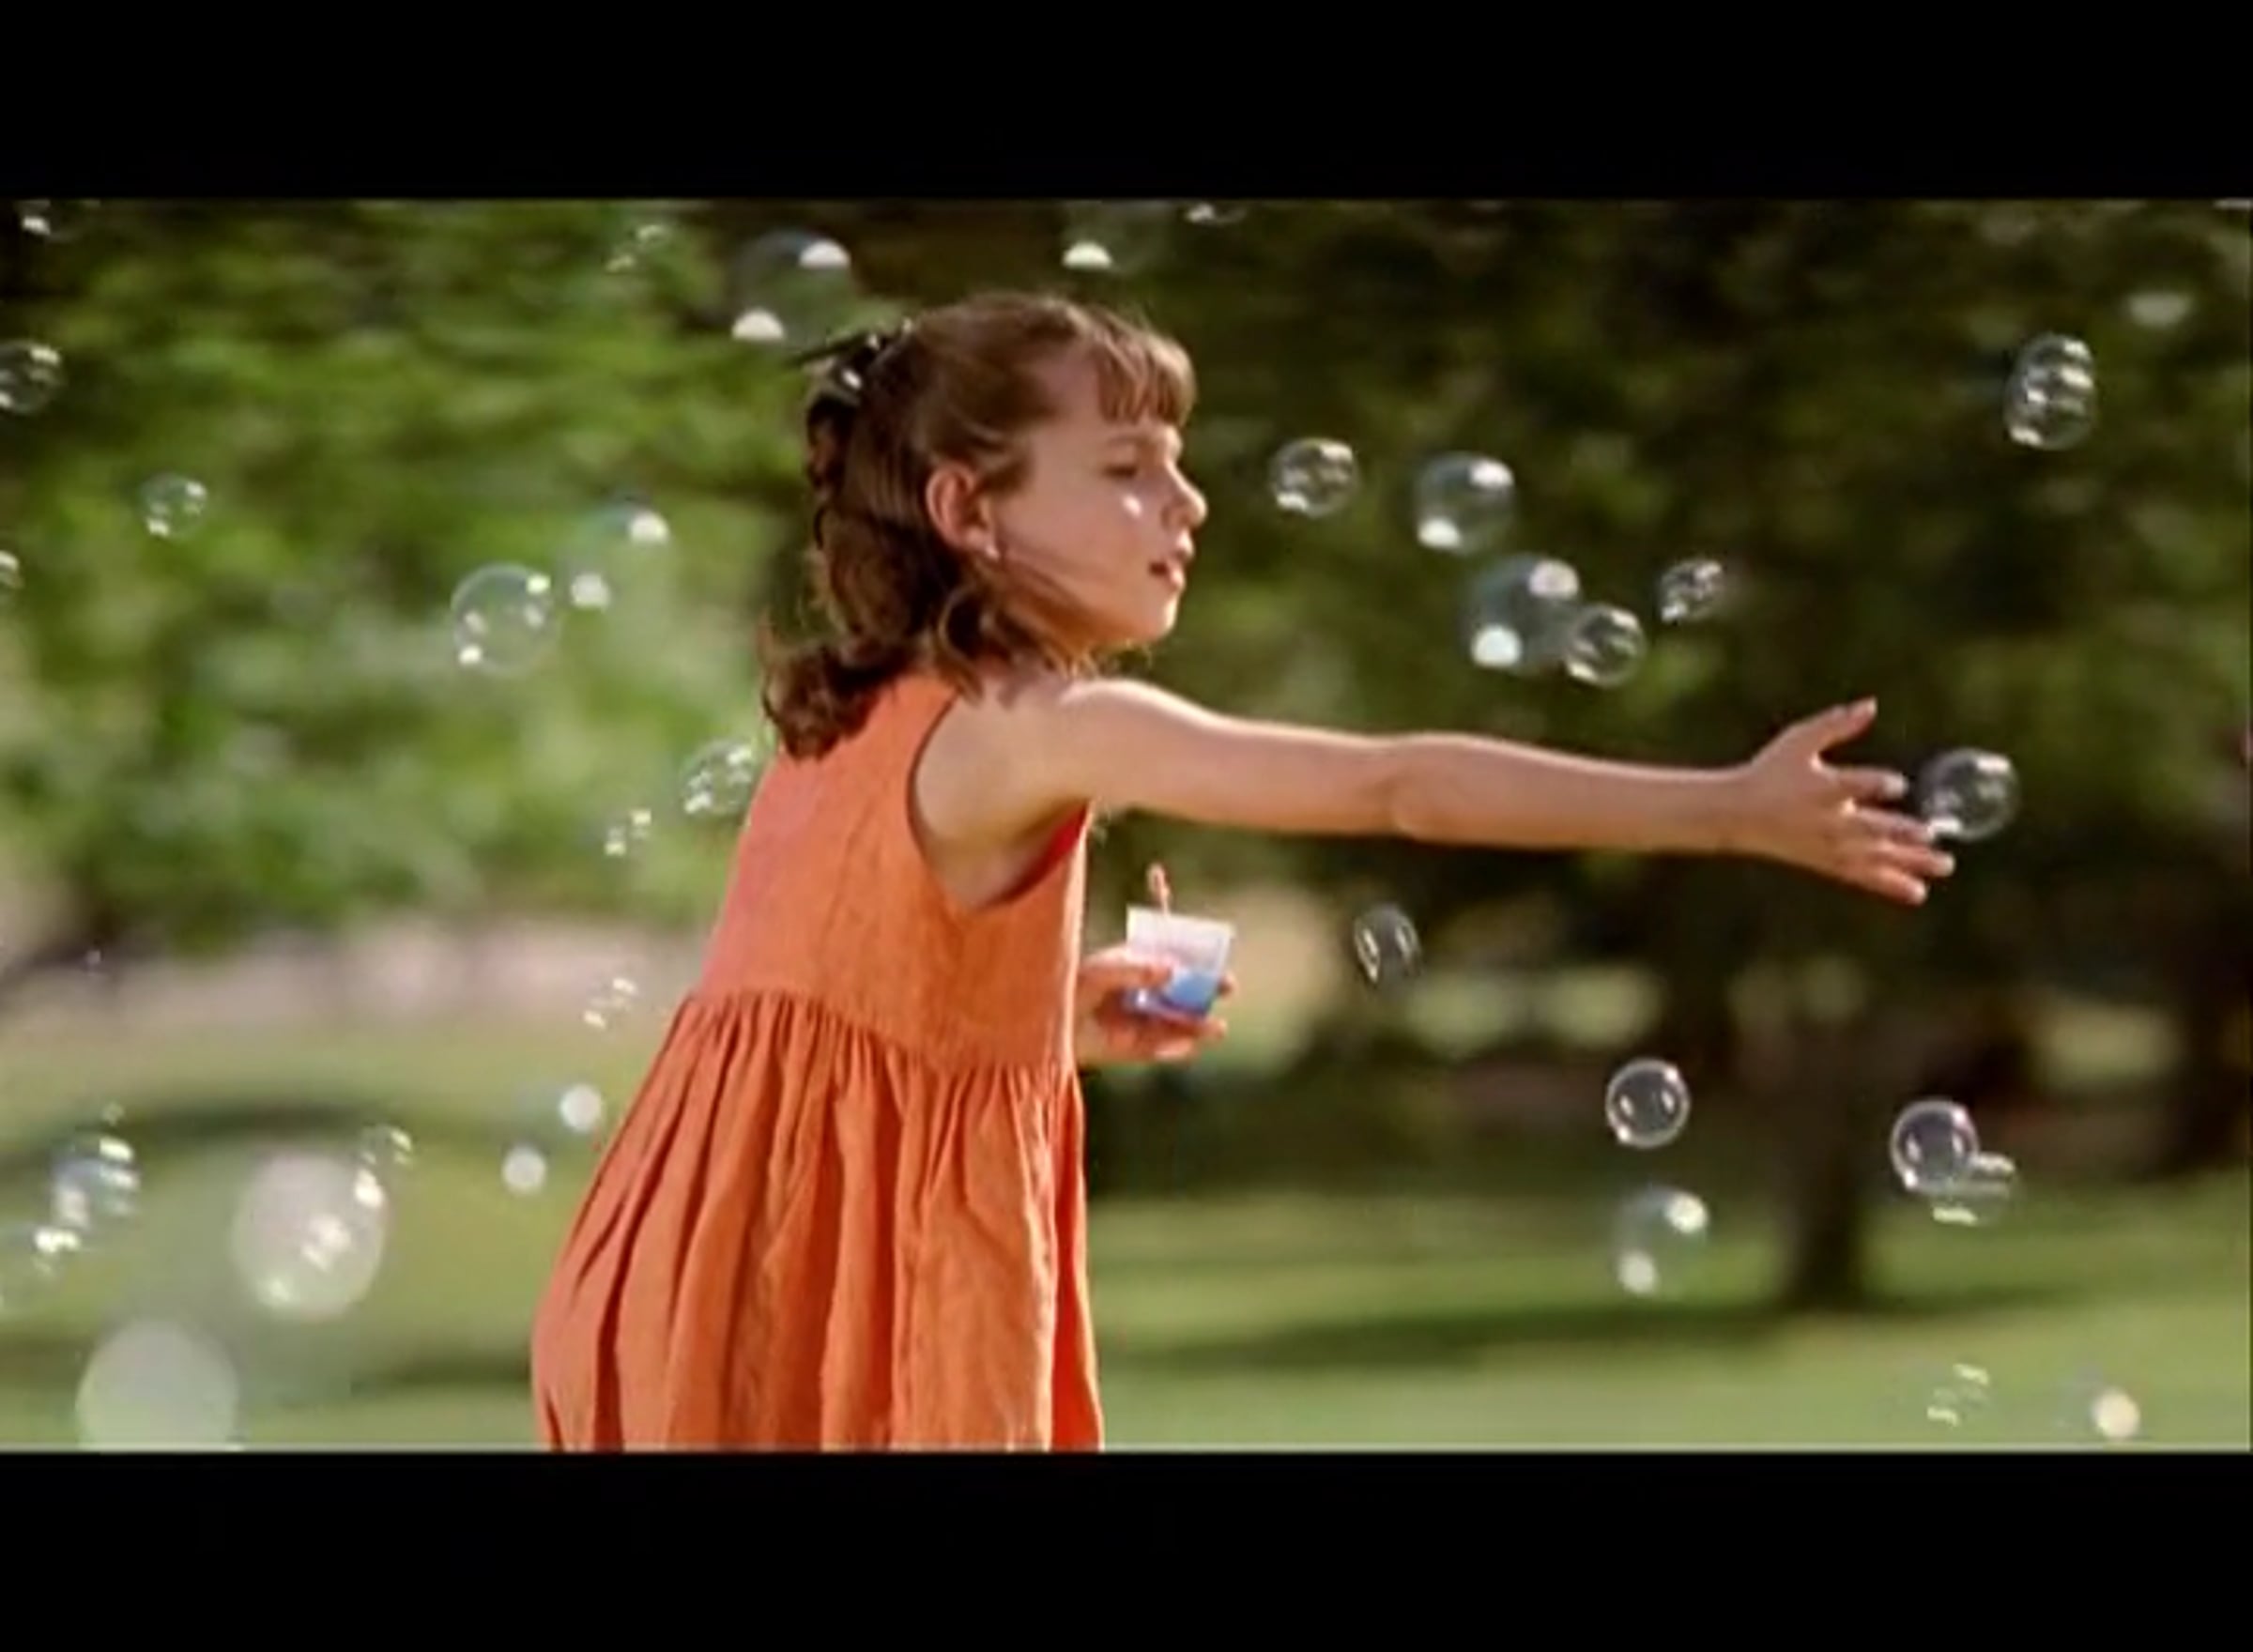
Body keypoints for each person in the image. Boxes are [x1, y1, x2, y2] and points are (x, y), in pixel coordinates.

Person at [527, 290, 1954, 1451]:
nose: (1189, 504)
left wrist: (1045, 1020)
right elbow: (1397, 786)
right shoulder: (1043, 725)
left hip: (690, 1290)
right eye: (1128, 469)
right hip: (846, 1321)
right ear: (970, 509)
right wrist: (1729, 808)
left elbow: (830, 1012)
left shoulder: (842, 726)